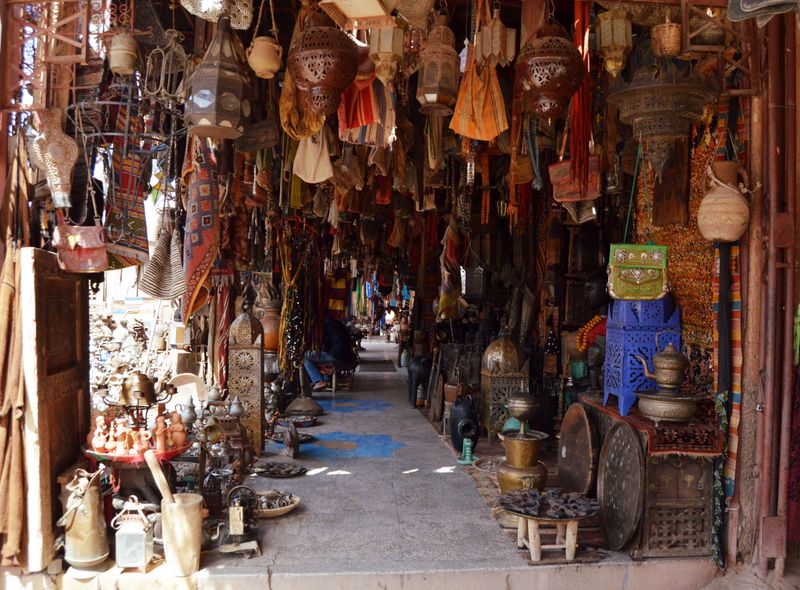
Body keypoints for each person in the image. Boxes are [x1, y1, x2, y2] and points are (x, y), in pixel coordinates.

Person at [304, 317, 357, 391]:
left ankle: (319, 381)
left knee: (306, 356)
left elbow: (327, 346)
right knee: (318, 357)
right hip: (347, 355)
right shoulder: (337, 323)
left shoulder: (327, 326)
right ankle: (326, 379)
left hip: (337, 357)